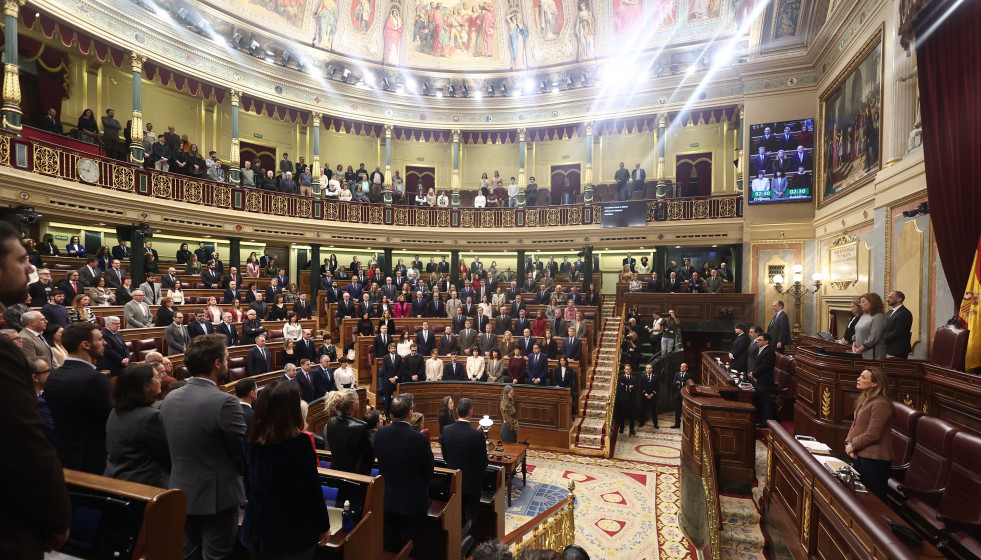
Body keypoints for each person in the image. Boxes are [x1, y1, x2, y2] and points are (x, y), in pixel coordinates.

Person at [0, 221, 72, 558]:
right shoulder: (5, 354)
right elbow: (27, 445)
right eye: (22, 260)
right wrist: (58, 518)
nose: (31, 267)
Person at [160, 334, 247, 560]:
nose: (228, 363)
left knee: (188, 555)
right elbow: (242, 453)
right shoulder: (225, 402)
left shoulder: (170, 398)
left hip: (180, 491)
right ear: (217, 364)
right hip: (217, 496)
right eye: (226, 358)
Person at [240, 380, 330, 558]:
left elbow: (249, 484)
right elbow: (311, 489)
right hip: (292, 533)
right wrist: (323, 525)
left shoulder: (250, 441)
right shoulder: (300, 443)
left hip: (258, 527)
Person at [44, 322, 110, 474]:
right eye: (100, 339)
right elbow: (111, 420)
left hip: (65, 456)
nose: (104, 342)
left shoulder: (54, 376)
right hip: (94, 460)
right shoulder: (94, 379)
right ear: (86, 345)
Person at [374, 393, 434, 553]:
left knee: (388, 548)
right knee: (410, 549)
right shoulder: (419, 439)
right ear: (410, 413)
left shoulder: (380, 433)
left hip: (386, 500)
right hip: (412, 503)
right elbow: (429, 472)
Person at [104, 363, 171, 487]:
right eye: (157, 377)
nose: (160, 380)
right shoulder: (150, 416)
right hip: (143, 484)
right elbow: (166, 456)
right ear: (146, 386)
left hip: (115, 477)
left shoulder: (115, 411)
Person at [844, 367, 893, 502]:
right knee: (858, 498)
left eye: (863, 377)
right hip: (861, 453)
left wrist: (854, 444)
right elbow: (855, 425)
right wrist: (849, 443)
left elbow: (873, 433)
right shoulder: (865, 399)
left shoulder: (881, 404)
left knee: (873, 501)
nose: (858, 379)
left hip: (874, 459)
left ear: (875, 383)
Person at [441, 397, 488, 525]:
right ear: (471, 412)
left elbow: (445, 457)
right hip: (472, 484)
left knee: (456, 518)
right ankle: (470, 542)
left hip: (453, 482)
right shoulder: (477, 434)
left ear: (456, 411)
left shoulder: (446, 430)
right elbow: (484, 463)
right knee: (471, 518)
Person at [323, 388, 374, 475]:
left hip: (336, 471)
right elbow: (369, 456)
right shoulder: (361, 426)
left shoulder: (331, 422)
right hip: (356, 476)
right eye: (358, 399)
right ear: (354, 405)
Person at [750, 334, 775, 427]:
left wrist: (754, 373)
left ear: (766, 341)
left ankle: (766, 423)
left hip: (764, 381)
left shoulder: (769, 352)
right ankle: (761, 420)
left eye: (760, 340)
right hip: (758, 379)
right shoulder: (760, 349)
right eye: (757, 340)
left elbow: (764, 366)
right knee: (760, 401)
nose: (758, 341)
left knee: (766, 402)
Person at [852, 292, 886, 359]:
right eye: (860, 302)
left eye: (863, 302)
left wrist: (860, 349)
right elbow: (857, 332)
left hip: (872, 354)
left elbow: (873, 337)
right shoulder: (863, 316)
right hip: (858, 351)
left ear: (872, 303)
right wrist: (854, 345)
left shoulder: (878, 316)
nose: (860, 304)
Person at [883, 291, 913, 358]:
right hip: (887, 348)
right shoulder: (889, 312)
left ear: (899, 299)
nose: (887, 299)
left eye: (890, 297)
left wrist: (883, 341)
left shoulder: (905, 313)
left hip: (897, 349)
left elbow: (898, 332)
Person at [616, 363, 637, 436]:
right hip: (623, 399)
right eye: (626, 369)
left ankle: (632, 429)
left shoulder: (634, 378)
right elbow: (620, 387)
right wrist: (629, 386)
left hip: (631, 399)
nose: (627, 370)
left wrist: (625, 386)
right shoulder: (621, 378)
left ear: (631, 370)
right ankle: (621, 428)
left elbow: (635, 387)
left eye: (629, 369)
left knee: (632, 415)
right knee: (622, 415)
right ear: (624, 370)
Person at [671, 362, 691, 429]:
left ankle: (687, 425)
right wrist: (683, 383)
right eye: (681, 366)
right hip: (678, 395)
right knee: (677, 410)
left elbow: (689, 384)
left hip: (685, 395)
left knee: (686, 411)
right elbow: (674, 384)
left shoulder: (689, 375)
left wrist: (680, 383)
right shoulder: (676, 374)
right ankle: (677, 424)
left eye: (684, 367)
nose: (682, 368)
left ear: (687, 368)